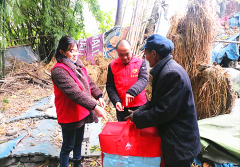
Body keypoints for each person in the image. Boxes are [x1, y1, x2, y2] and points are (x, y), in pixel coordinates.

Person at [125, 34, 201, 167]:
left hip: (180, 144)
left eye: (146, 53)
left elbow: (163, 112)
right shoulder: (165, 70)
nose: (145, 57)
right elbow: (156, 101)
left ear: (154, 53)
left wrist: (137, 117)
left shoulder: (172, 73)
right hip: (175, 139)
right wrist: (139, 111)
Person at [51, 36, 107, 167]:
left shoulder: (78, 65)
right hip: (69, 113)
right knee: (68, 145)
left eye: (76, 50)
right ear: (62, 52)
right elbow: (75, 93)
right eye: (71, 51)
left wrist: (98, 95)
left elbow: (89, 82)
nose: (75, 54)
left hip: (81, 110)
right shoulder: (59, 70)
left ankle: (77, 162)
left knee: (79, 141)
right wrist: (95, 106)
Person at [106, 40, 149, 121]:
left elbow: (144, 79)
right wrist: (116, 101)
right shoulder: (112, 65)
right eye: (121, 55)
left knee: (140, 131)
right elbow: (110, 86)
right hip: (122, 107)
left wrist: (132, 91)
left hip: (139, 105)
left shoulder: (140, 62)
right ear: (117, 52)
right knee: (123, 130)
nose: (124, 57)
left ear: (131, 49)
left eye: (127, 54)